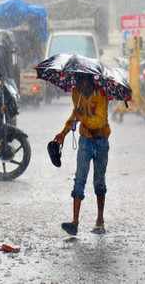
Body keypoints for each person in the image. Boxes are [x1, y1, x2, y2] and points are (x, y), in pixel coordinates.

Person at [54, 73, 110, 236]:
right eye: (78, 82)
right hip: (85, 140)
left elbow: (98, 121)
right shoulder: (76, 93)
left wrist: (81, 116)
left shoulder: (101, 95)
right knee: (79, 179)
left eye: (82, 81)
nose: (80, 85)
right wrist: (63, 133)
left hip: (101, 141)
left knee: (99, 181)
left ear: (90, 81)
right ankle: (75, 222)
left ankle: (100, 220)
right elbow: (75, 114)